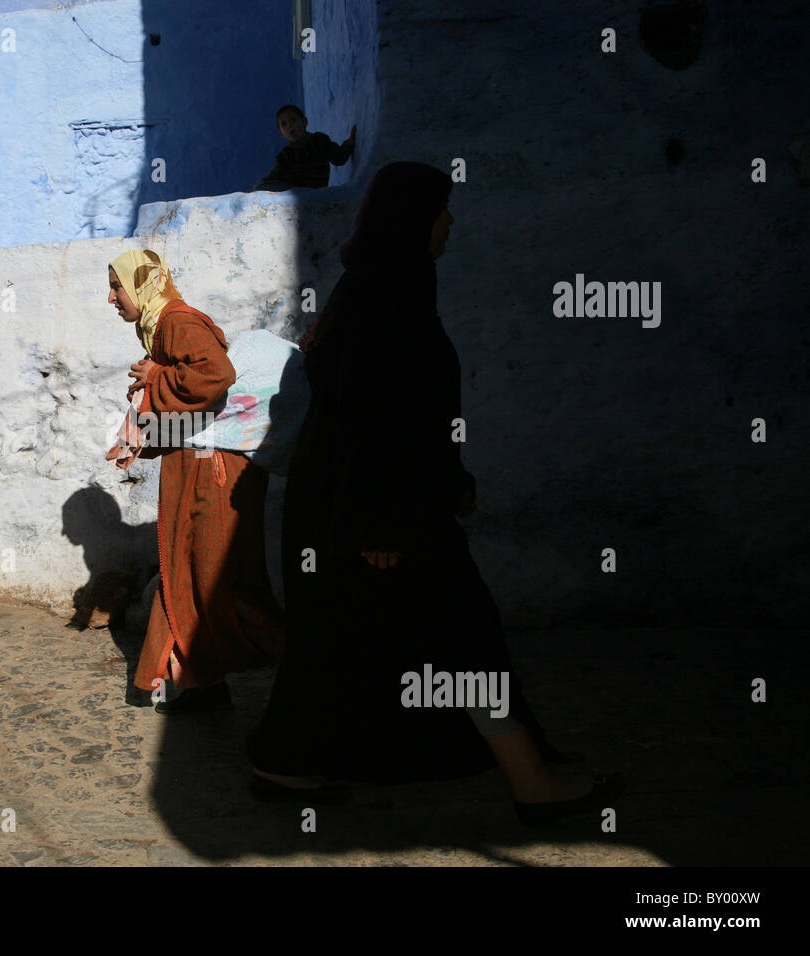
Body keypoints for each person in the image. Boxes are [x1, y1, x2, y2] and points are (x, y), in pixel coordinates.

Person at [247, 163, 624, 824]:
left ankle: (284, 758)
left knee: (354, 640)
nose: (450, 222)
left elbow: (407, 415)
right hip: (375, 514)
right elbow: (374, 419)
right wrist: (385, 526)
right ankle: (530, 780)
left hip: (364, 507)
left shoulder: (382, 288)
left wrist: (444, 485)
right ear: (410, 220)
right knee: (459, 631)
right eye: (440, 211)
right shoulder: (385, 297)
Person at [105, 250, 286, 714]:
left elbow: (215, 375)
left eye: (117, 286)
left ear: (142, 285)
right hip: (196, 463)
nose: (111, 298)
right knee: (183, 566)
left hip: (214, 468)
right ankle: (192, 683)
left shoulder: (177, 322)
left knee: (217, 574)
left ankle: (303, 664)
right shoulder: (160, 325)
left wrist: (157, 375)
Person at [253, 105, 356, 191]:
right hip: (296, 195)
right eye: (284, 124)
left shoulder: (319, 140)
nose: (289, 125)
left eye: (293, 120)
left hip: (315, 194)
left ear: (305, 122)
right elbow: (273, 177)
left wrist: (348, 144)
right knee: (261, 187)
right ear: (282, 134)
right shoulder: (285, 156)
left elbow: (338, 158)